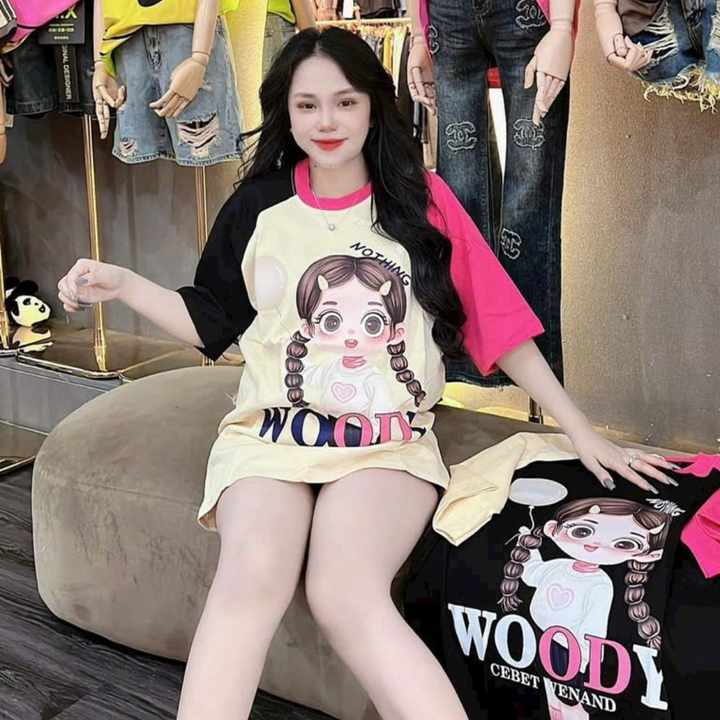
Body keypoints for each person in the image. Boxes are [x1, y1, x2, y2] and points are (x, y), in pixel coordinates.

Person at [57, 27, 676, 720]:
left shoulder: (422, 202)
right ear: (286, 112)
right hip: (269, 438)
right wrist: (123, 283)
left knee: (345, 593)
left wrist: (581, 431)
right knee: (249, 580)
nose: (327, 121)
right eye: (308, 105)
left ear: (375, 107)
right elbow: (208, 321)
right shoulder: (257, 207)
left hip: (387, 445)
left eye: (345, 102)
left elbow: (498, 326)